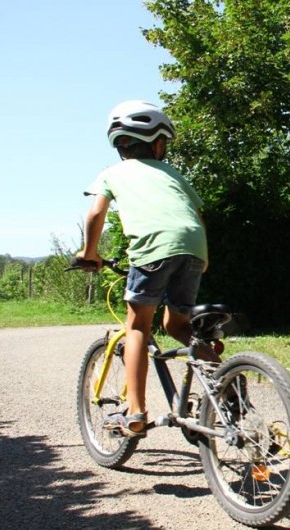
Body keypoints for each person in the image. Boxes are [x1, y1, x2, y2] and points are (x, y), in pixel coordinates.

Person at [77, 100, 210, 438]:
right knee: (177, 324)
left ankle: (135, 413)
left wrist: (89, 252)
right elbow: (196, 219)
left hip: (151, 250)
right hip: (193, 248)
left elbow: (95, 214)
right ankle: (226, 384)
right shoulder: (175, 175)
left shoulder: (112, 173)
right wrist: (202, 257)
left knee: (137, 326)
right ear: (155, 142)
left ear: (121, 143)